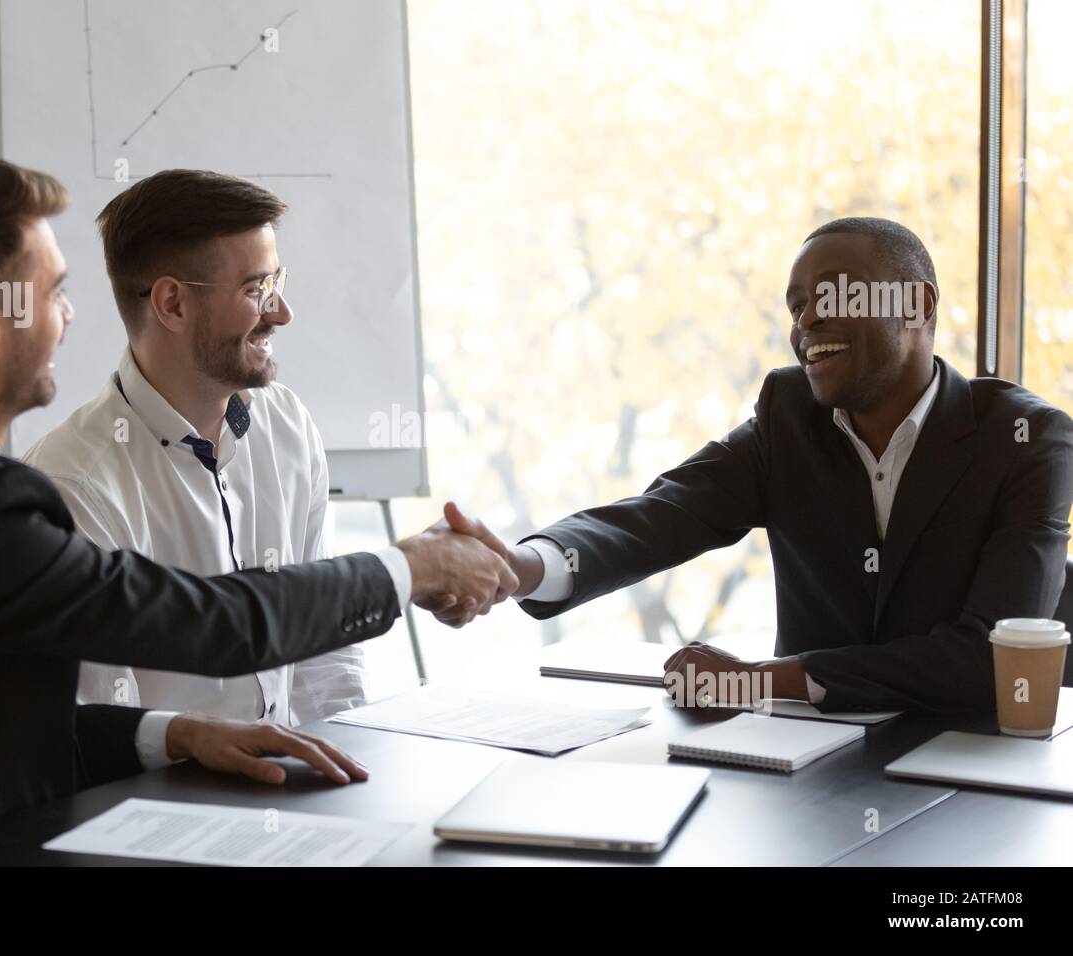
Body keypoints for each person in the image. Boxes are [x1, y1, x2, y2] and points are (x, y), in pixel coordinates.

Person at [0, 159, 516, 862]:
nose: (68, 317)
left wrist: (178, 735)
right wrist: (409, 568)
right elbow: (220, 624)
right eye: (53, 293)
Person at [429, 218, 1073, 714]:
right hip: (809, 772)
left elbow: (995, 660)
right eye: (796, 305)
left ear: (918, 305)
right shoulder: (789, 417)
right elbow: (661, 515)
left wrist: (756, 682)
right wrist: (517, 567)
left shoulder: (1027, 440)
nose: (808, 320)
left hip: (973, 776)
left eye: (834, 294)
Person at [24, 171, 369, 750]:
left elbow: (324, 652)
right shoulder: (71, 487)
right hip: (168, 818)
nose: (281, 312)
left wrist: (354, 768)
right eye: (257, 287)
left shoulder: (285, 423)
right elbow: (97, 730)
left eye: (276, 281)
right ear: (173, 304)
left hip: (300, 796)